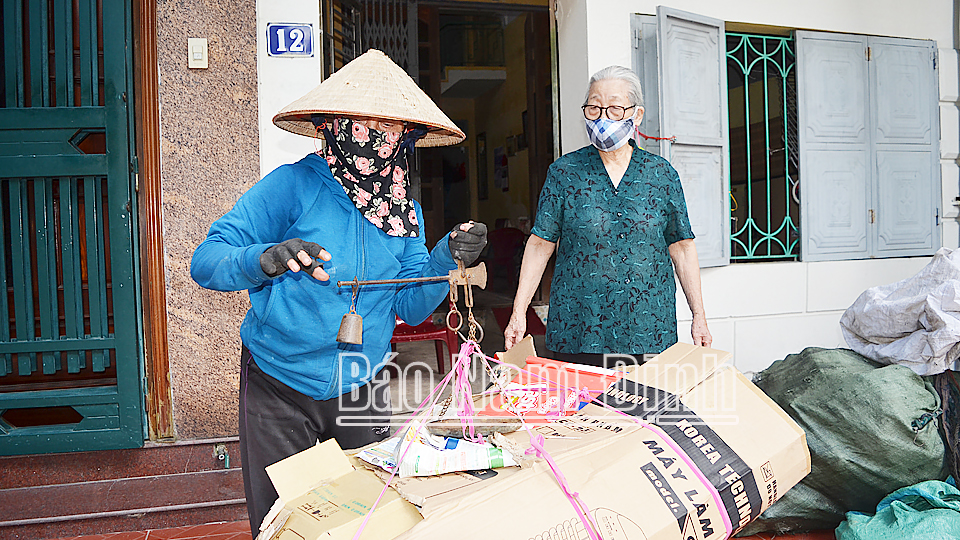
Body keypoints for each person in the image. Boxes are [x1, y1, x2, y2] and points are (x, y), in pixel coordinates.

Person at [190, 50, 487, 536]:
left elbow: (409, 306)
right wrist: (265, 259)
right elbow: (206, 258)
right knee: (283, 524)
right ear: (335, 127)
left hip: (362, 387)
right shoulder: (294, 186)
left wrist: (445, 257)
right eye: (364, 125)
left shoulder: (403, 208)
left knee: (365, 521)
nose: (380, 140)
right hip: (279, 383)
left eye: (392, 130)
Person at [503, 65, 711, 366]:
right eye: (594, 108)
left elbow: (681, 246)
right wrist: (519, 310)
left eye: (614, 108)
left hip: (648, 328)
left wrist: (699, 316)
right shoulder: (564, 173)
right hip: (579, 329)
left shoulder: (661, 175)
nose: (602, 118)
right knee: (579, 412)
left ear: (636, 115)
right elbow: (540, 244)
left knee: (644, 410)